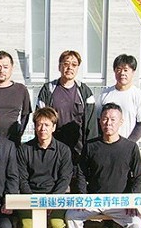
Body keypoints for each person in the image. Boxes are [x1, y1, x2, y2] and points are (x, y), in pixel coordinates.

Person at [65, 103, 141, 228]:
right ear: (100, 121)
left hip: (120, 201)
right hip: (94, 199)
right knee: (71, 216)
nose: (108, 123)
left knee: (136, 224)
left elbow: (138, 176)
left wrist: (132, 200)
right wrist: (83, 197)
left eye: (113, 119)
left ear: (121, 122)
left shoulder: (130, 147)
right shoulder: (91, 146)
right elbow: (81, 173)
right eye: (105, 119)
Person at [37, 50, 98, 190]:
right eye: (66, 64)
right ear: (59, 66)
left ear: (78, 68)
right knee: (54, 189)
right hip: (53, 150)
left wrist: (89, 152)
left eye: (74, 65)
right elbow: (40, 120)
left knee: (77, 189)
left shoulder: (84, 91)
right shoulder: (48, 90)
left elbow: (91, 125)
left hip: (78, 151)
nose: (70, 67)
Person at [17, 107, 73, 228]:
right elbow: (21, 178)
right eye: (39, 124)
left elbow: (65, 179)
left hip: (55, 197)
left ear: (54, 127)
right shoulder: (24, 149)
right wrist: (33, 201)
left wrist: (52, 201)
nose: (43, 129)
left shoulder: (64, 150)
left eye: (47, 125)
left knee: (57, 227)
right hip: (30, 197)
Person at [97, 54, 141, 142]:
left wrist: (128, 144)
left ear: (133, 72)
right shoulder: (105, 94)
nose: (122, 73)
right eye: (118, 69)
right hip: (106, 144)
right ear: (114, 71)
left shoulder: (139, 95)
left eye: (126, 70)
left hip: (129, 146)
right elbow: (98, 120)